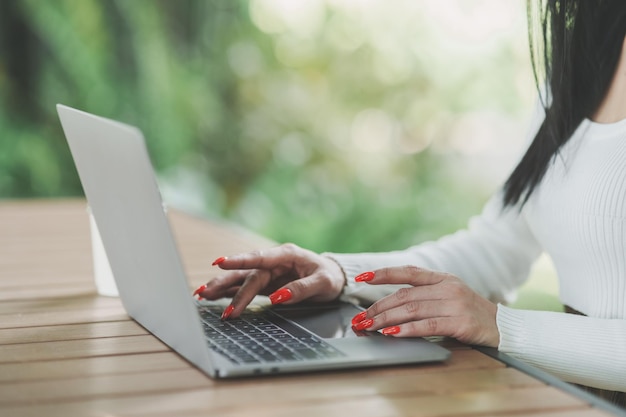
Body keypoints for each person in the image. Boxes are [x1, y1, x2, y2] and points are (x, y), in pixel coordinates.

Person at [194, 0, 626, 407]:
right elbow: (496, 249)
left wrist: (501, 325)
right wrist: (342, 273)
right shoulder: (578, 72)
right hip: (579, 397)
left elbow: (494, 311)